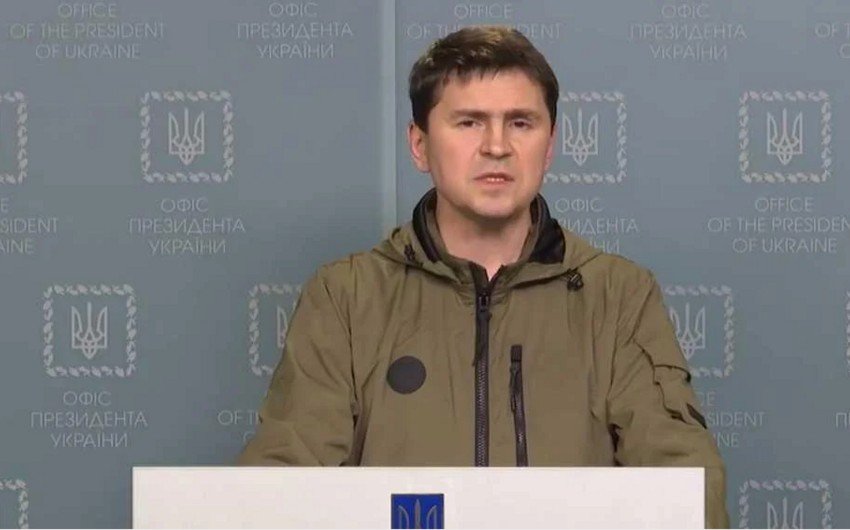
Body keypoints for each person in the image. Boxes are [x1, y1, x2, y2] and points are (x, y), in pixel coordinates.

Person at [239, 25, 729, 528]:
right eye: (469, 122)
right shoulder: (345, 297)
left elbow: (687, 485)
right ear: (419, 144)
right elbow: (281, 487)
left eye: (520, 123)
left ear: (550, 145)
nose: (497, 146)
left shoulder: (619, 296)